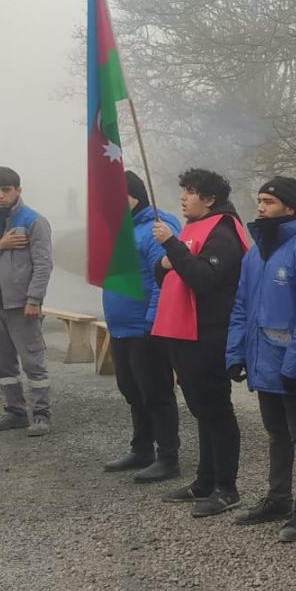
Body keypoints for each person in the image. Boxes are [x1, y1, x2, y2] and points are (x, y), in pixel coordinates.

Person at [226, 177, 296, 543]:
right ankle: (278, 498)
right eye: (260, 200)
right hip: (262, 361)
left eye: (269, 201)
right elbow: (241, 307)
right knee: (276, 433)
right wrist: (236, 353)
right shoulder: (254, 255)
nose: (261, 207)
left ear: (289, 208)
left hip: (292, 364)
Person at [151, 168, 249, 518]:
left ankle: (227, 487)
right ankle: (205, 481)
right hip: (184, 332)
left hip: (209, 333)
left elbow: (203, 279)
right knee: (201, 410)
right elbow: (166, 275)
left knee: (217, 411)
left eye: (190, 191)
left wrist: (170, 245)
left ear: (209, 199)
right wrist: (164, 262)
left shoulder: (223, 232)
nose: (183, 197)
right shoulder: (194, 229)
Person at [101, 171, 182, 483]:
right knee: (132, 390)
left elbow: (165, 279)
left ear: (133, 196)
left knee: (156, 392)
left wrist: (152, 322)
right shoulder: (121, 230)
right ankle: (142, 448)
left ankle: (168, 456)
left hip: (145, 326)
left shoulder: (156, 228)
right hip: (121, 326)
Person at [0, 165, 54, 437]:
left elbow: (43, 264)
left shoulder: (33, 221)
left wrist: (34, 299)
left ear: (18, 190)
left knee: (33, 361)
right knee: (3, 363)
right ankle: (15, 411)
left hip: (21, 304)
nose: (0, 195)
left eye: (6, 190)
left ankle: (41, 414)